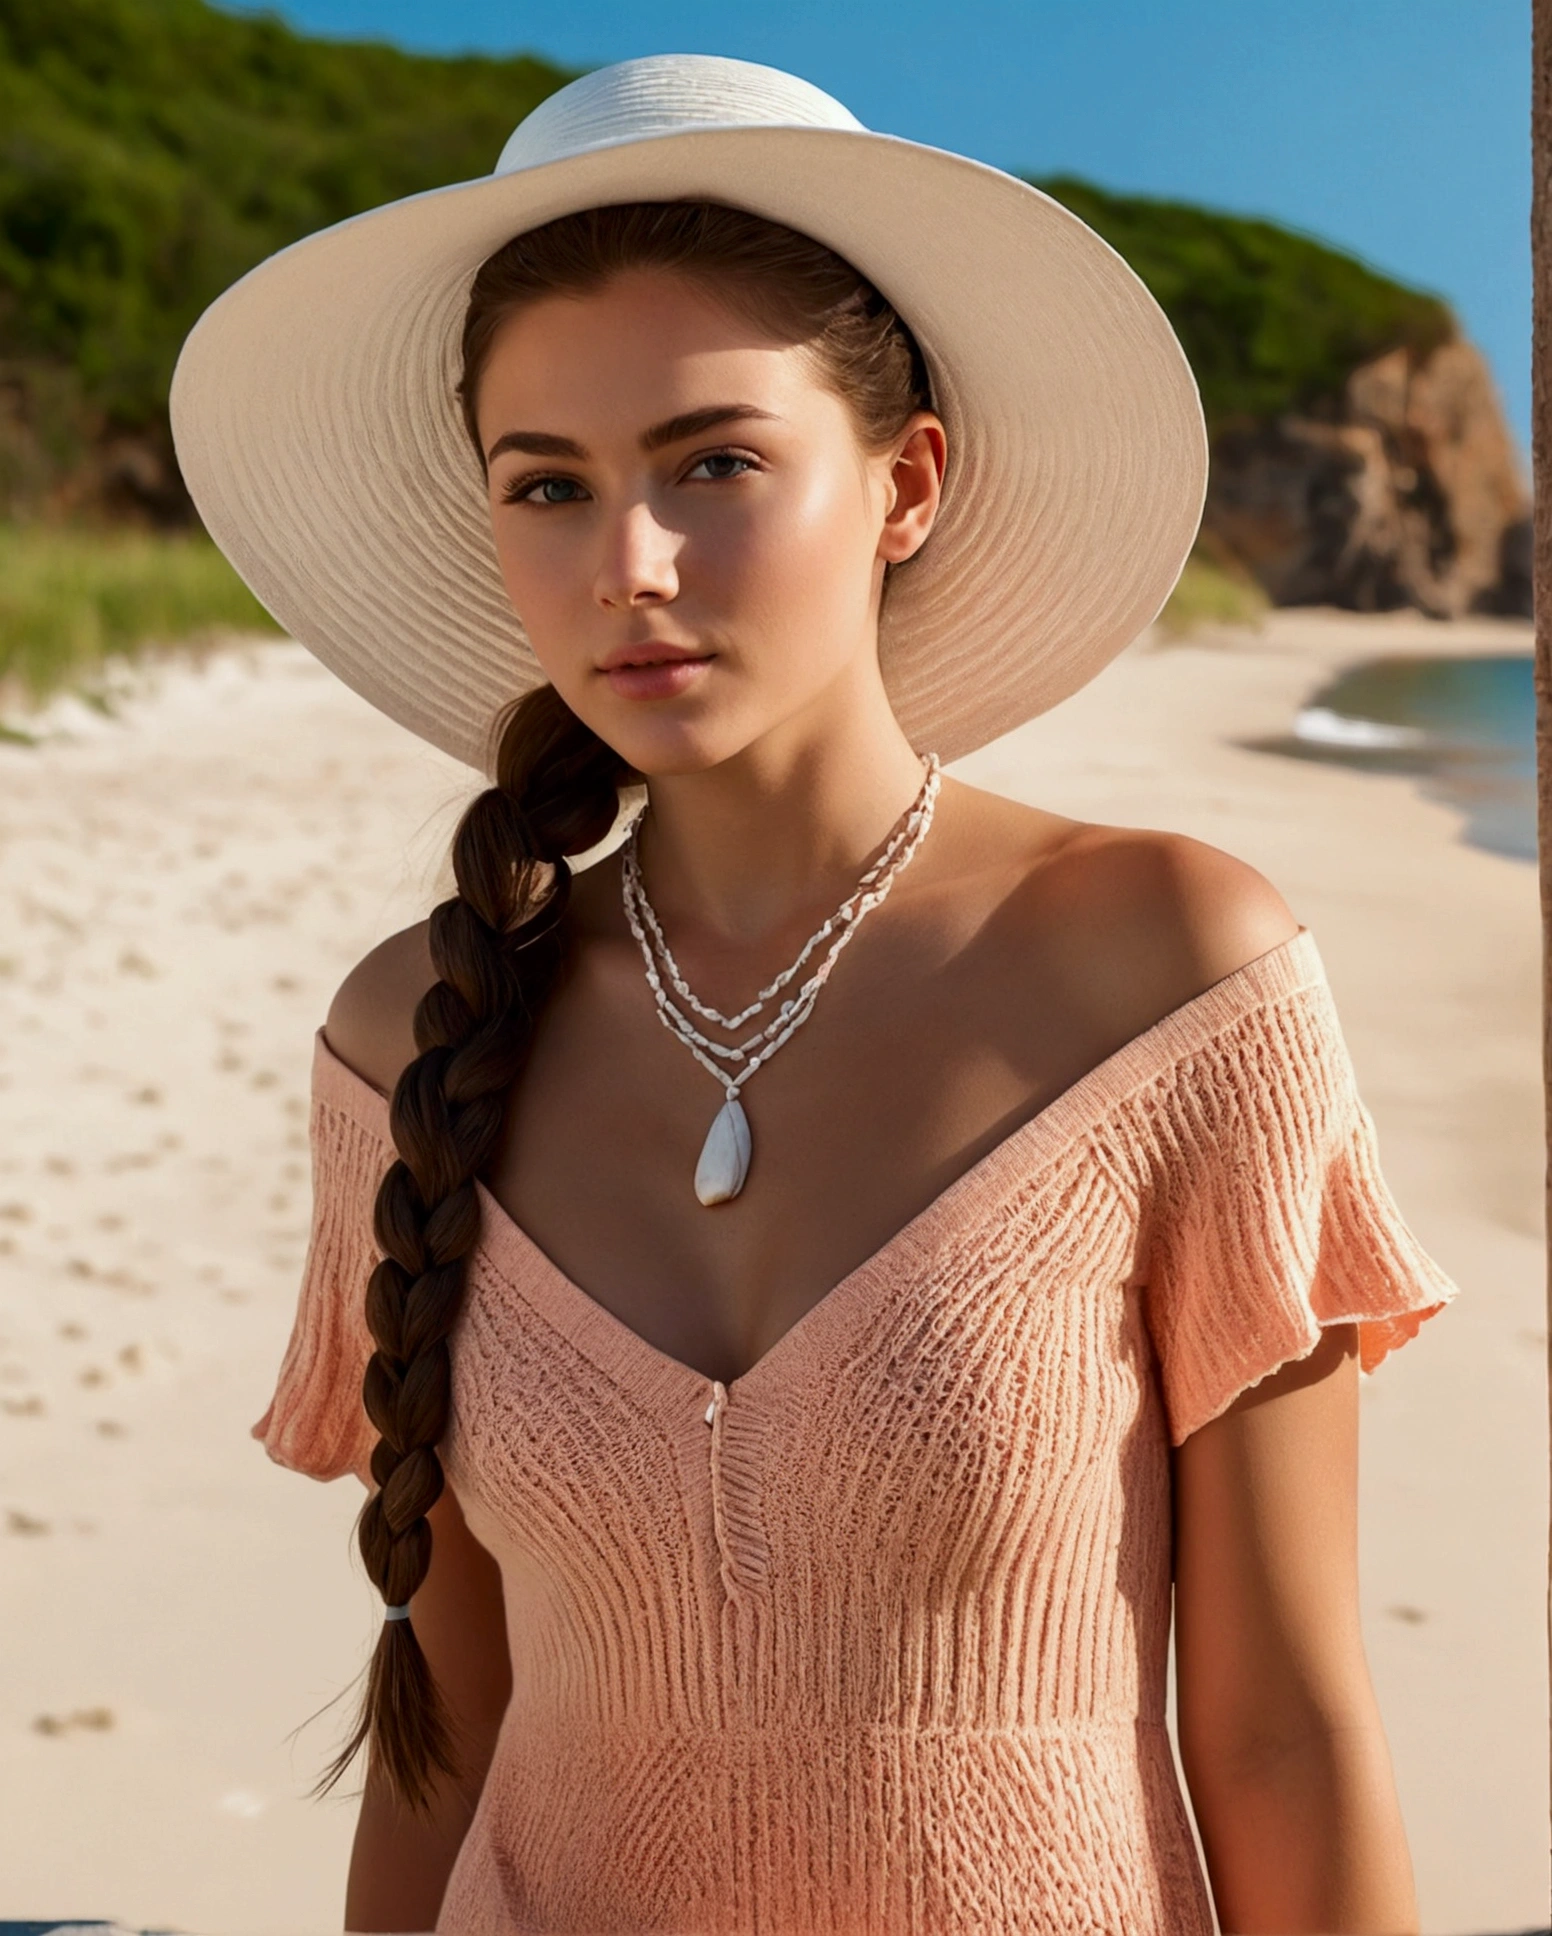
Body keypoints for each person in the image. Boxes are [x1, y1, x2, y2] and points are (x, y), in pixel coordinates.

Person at [172, 53, 1460, 1936]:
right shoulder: (412, 1044)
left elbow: (1282, 1736)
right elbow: (449, 1732)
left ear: (905, 484)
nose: (630, 565)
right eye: (553, 484)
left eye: (715, 463)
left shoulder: (1170, 977)